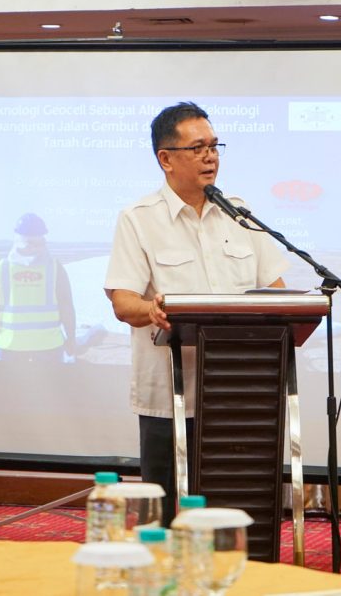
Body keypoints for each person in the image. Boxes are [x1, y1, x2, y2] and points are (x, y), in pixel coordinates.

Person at [104, 101, 289, 523]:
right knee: (165, 516)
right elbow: (123, 302)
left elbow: (276, 291)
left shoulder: (240, 215)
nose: (210, 156)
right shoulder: (138, 220)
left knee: (237, 513)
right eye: (198, 148)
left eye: (214, 146)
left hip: (239, 393)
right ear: (166, 159)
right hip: (170, 395)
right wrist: (152, 309)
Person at [0, 212, 77, 363]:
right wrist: (71, 337)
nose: (33, 246)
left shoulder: (0, 268)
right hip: (47, 346)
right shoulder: (54, 267)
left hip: (12, 347)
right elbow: (66, 306)